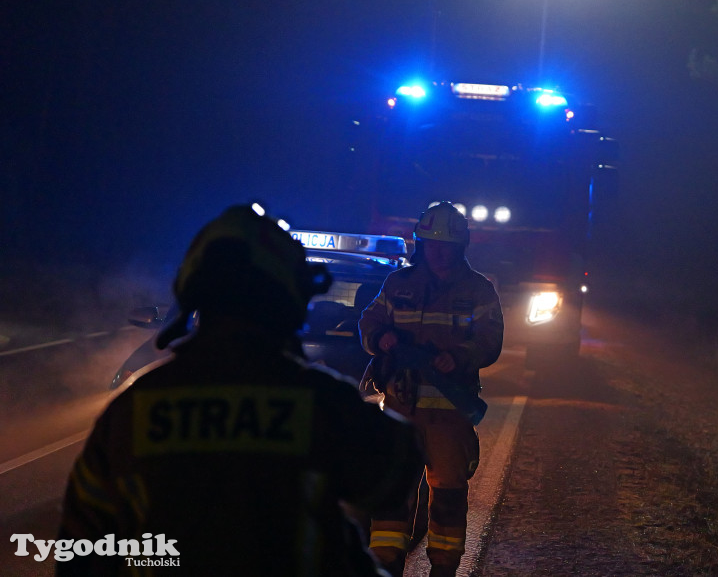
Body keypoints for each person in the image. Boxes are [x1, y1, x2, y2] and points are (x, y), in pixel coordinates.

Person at [57, 204, 422, 576]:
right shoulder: (320, 401)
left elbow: (79, 552)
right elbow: (392, 480)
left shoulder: (132, 409)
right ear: (288, 301)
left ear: (193, 294)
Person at [359, 202, 503, 577]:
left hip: (449, 416)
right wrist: (381, 337)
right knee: (392, 494)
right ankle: (386, 566)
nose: (438, 251)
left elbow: (490, 339)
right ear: (420, 244)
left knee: (449, 497)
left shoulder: (478, 290)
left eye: (446, 245)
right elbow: (371, 320)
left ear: (461, 247)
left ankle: (443, 568)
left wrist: (457, 357)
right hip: (399, 411)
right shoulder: (398, 284)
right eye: (431, 244)